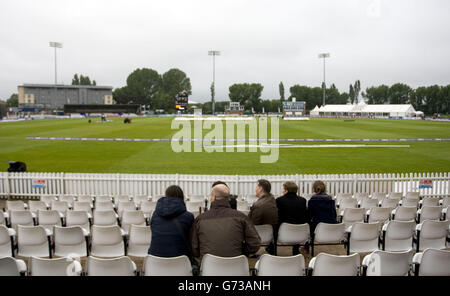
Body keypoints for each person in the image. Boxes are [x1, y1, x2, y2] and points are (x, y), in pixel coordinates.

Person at [190, 184, 261, 260]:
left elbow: (194, 247)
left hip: (209, 267)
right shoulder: (241, 217)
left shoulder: (200, 219)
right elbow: (255, 243)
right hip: (235, 265)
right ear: (228, 198)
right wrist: (241, 251)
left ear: (213, 197)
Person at [148, 185, 195, 259]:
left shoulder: (154, 215)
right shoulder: (188, 216)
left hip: (155, 258)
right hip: (180, 260)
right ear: (182, 197)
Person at [276, 181, 308, 255]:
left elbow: (278, 216)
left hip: (283, 231)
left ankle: (271, 248)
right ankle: (296, 248)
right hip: (299, 232)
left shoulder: (279, 200)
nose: (282, 191)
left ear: (286, 190)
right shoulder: (302, 200)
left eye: (283, 189)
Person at [248, 179, 278, 255]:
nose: (255, 189)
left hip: (260, 235)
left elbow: (252, 223)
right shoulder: (272, 199)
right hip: (271, 234)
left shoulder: (258, 205)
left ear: (260, 189)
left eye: (256, 187)